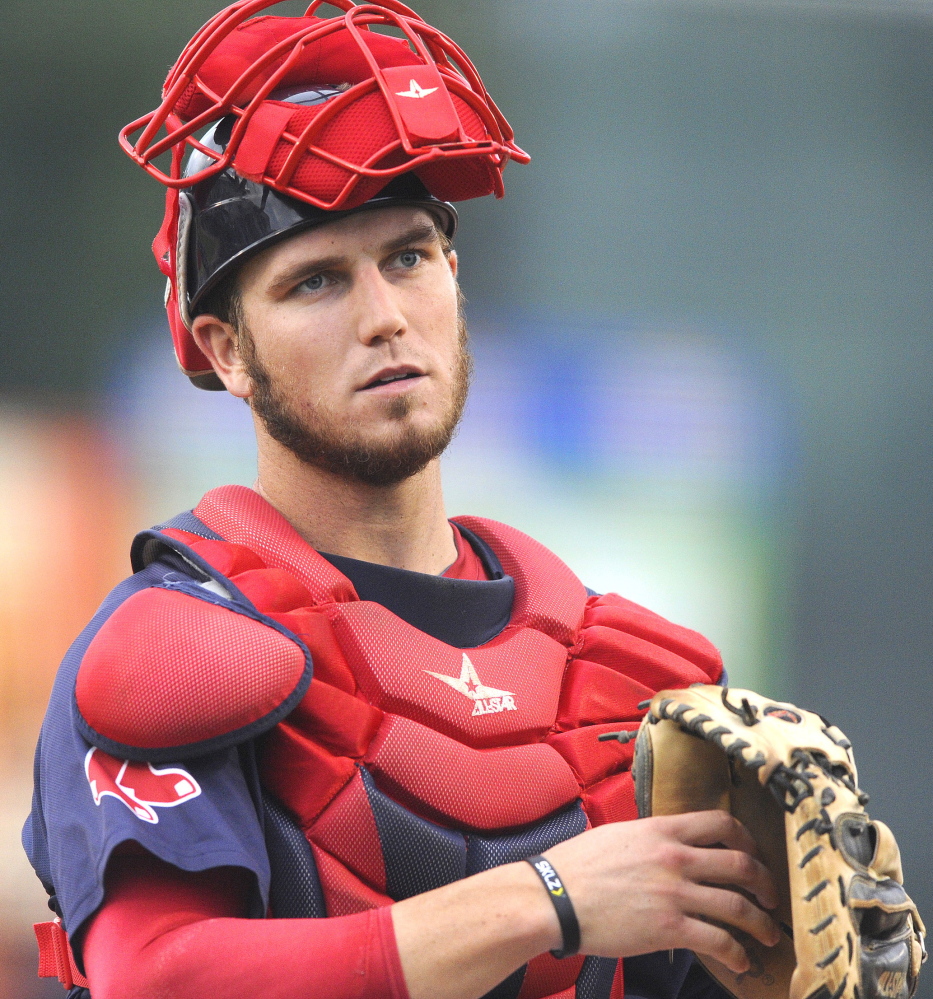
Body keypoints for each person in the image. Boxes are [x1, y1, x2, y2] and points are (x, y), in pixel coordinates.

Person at [23, 3, 781, 998]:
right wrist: (546, 900)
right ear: (225, 352)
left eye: (408, 258)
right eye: (315, 284)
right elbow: (159, 978)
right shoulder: (179, 649)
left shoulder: (634, 680)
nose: (384, 318)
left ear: (454, 279)